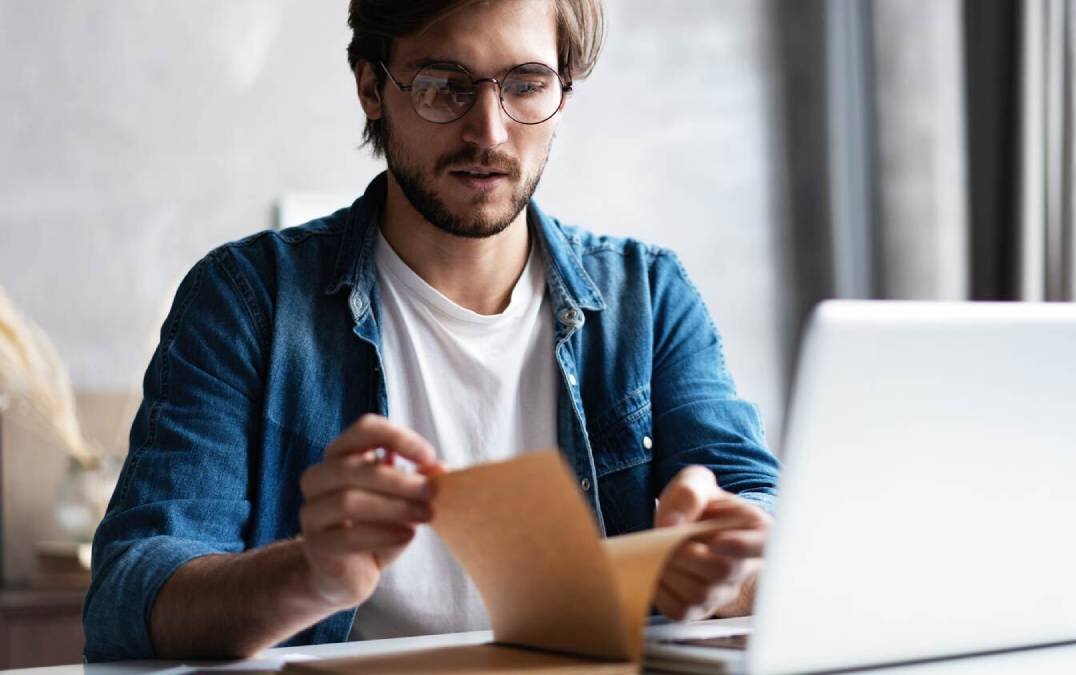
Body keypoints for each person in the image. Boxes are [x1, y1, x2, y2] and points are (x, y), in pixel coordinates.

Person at [82, 0, 780, 662]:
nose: (489, 131)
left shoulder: (649, 298)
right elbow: (130, 593)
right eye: (445, 86)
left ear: (562, 92)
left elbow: (770, 517)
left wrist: (731, 566)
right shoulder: (247, 302)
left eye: (527, 84)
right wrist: (314, 572)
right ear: (371, 89)